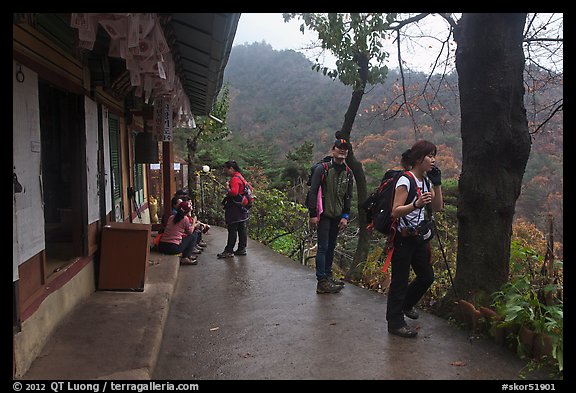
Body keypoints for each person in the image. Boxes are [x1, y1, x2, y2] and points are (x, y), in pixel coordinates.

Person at [386, 140, 444, 338]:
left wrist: (437, 184)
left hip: (419, 237)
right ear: (419, 159)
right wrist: (416, 204)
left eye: (434, 155)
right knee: (400, 281)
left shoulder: (426, 181)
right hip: (403, 238)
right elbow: (395, 211)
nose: (433, 160)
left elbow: (437, 207)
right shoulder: (406, 180)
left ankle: (406, 304)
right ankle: (395, 322)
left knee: (427, 276)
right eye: (430, 156)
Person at [307, 139, 354, 294]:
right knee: (323, 247)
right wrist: (313, 214)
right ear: (333, 150)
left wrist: (345, 216)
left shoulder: (348, 172)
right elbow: (313, 192)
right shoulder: (323, 169)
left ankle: (327, 276)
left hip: (338, 215)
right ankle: (321, 281)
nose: (342, 151)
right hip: (324, 215)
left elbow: (348, 196)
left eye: (345, 149)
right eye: (339, 148)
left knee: (331, 246)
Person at [217, 160, 249, 258]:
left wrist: (227, 187)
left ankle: (229, 250)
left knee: (232, 228)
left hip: (234, 208)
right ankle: (241, 248)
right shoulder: (241, 177)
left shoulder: (235, 179)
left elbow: (234, 192)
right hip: (242, 207)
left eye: (226, 168)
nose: (225, 170)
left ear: (231, 168)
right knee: (241, 227)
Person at [158, 201, 200, 265]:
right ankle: (185, 257)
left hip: (162, 246)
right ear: (187, 212)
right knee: (193, 235)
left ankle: (188, 256)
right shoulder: (185, 219)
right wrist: (194, 223)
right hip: (173, 248)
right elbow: (190, 232)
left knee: (187, 237)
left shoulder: (171, 217)